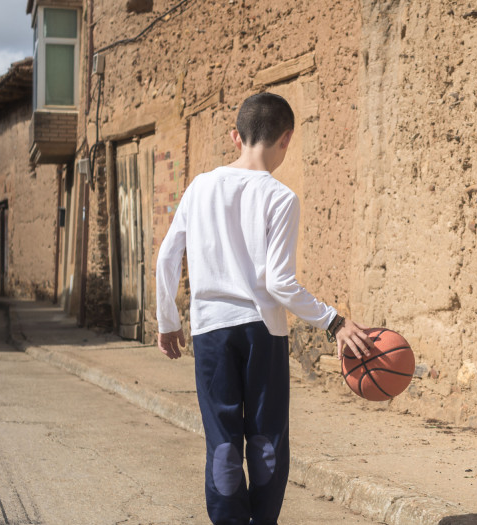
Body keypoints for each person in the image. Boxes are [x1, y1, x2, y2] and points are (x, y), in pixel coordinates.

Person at [155, 92, 377, 525]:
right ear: (286, 139)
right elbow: (278, 282)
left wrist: (168, 320)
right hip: (262, 331)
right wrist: (333, 321)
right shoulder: (281, 197)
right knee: (266, 438)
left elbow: (167, 255)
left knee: (222, 440)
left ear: (235, 137)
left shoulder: (200, 186)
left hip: (210, 332)